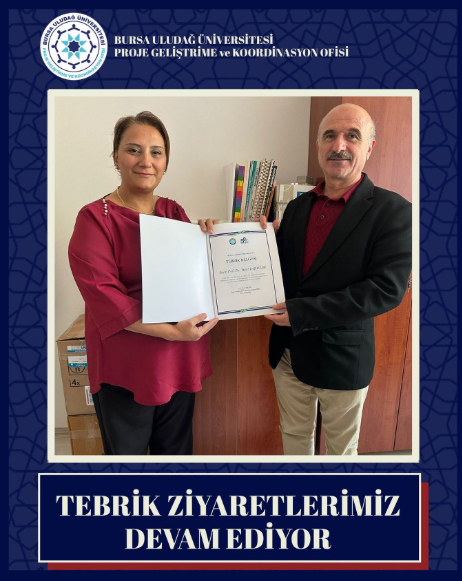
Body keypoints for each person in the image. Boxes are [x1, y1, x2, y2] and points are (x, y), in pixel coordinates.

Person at [202, 103, 412, 456]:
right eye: (329, 135)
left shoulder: (394, 211)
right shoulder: (298, 207)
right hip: (288, 354)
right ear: (318, 145)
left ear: (369, 147)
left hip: (343, 359)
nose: (339, 145)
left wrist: (302, 313)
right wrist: (235, 240)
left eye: (352, 136)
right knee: (295, 441)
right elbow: (281, 270)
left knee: (341, 452)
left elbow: (385, 290)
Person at [68, 111, 218, 456]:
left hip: (178, 359)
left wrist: (214, 239)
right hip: (126, 366)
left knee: (176, 456)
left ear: (166, 162)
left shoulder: (173, 212)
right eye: (133, 150)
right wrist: (171, 332)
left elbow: (190, 277)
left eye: (156, 152)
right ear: (116, 157)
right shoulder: (94, 219)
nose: (146, 161)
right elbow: (105, 295)